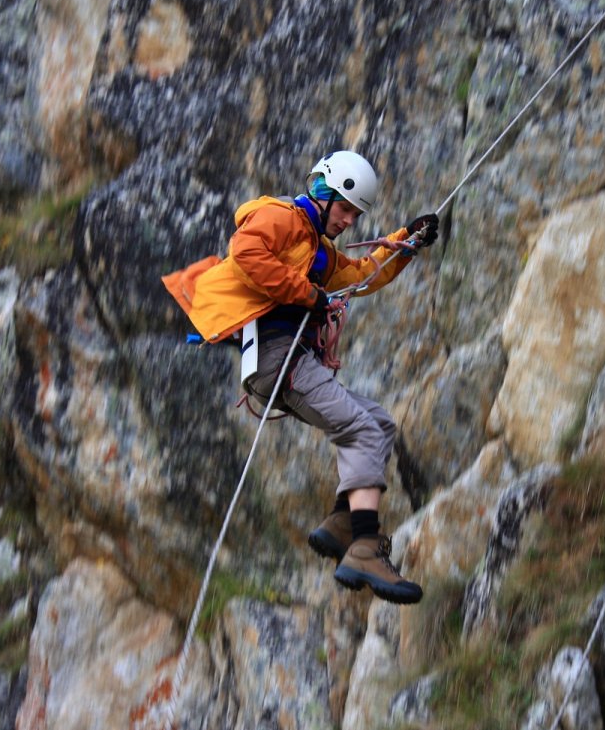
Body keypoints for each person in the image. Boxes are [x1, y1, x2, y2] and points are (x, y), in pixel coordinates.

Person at [163, 150, 439, 604]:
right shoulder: (282, 217)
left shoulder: (319, 252)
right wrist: (304, 293)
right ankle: (365, 547)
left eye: (356, 214)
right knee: (362, 428)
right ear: (325, 194)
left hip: (287, 363)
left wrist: (406, 240)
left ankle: (342, 523)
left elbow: (364, 276)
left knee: (380, 424)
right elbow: (246, 251)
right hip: (278, 359)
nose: (350, 220)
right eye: (346, 208)